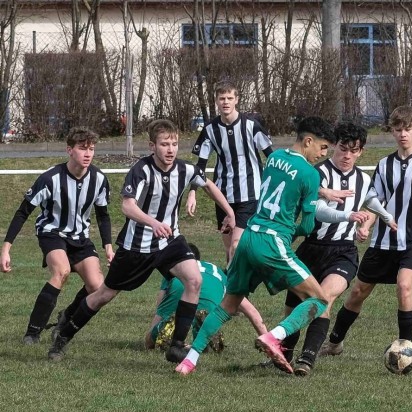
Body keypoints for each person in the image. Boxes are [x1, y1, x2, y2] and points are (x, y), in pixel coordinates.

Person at [47, 119, 236, 362]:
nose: (170, 149)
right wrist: (153, 222)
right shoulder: (141, 170)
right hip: (137, 246)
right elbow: (127, 206)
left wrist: (229, 212)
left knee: (194, 279)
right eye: (164, 144)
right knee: (104, 294)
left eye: (174, 144)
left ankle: (176, 345)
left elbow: (207, 184)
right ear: (152, 146)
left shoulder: (184, 169)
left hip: (170, 241)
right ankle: (63, 335)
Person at [176, 116, 343, 376]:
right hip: (272, 241)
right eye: (323, 148)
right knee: (319, 299)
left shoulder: (274, 158)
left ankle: (189, 361)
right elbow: (309, 226)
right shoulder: (311, 174)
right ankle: (273, 336)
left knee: (230, 303)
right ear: (308, 141)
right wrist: (293, 230)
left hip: (248, 235)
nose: (323, 154)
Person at [321, 105, 412, 357]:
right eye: (398, 129)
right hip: (384, 241)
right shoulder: (384, 164)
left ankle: (405, 348)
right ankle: (335, 343)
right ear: (392, 132)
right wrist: (365, 226)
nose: (403, 134)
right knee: (358, 291)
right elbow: (375, 201)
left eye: (407, 129)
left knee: (404, 286)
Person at [277, 121, 397, 376]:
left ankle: (306, 359)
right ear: (334, 147)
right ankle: (283, 353)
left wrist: (383, 217)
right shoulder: (316, 173)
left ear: (361, 151)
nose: (347, 155)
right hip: (311, 248)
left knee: (324, 298)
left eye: (354, 151)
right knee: (294, 306)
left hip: (343, 252)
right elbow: (317, 208)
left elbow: (371, 199)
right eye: (343, 148)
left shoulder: (364, 179)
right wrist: (348, 216)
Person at [0, 127, 114, 344]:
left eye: (91, 149)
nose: (88, 153)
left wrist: (108, 247)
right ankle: (32, 332)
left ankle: (66, 318)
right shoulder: (50, 178)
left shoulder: (99, 179)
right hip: (52, 233)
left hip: (80, 238)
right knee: (61, 272)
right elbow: (23, 212)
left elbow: (103, 215)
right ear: (69, 150)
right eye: (82, 148)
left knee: (98, 288)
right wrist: (6, 248)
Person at [188, 80, 273, 263]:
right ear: (217, 102)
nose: (225, 102)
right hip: (223, 196)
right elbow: (200, 166)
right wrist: (192, 193)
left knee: (237, 246)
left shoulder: (251, 126)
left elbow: (271, 158)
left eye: (229, 98)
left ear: (236, 100)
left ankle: (239, 291)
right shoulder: (210, 130)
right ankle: (231, 289)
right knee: (229, 250)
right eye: (222, 98)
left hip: (250, 195)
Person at [144, 243, 267, 352]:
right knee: (205, 329)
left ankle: (165, 328)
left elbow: (160, 308)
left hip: (180, 287)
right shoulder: (217, 271)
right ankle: (204, 336)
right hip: (213, 288)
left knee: (152, 339)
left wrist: (151, 335)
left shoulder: (175, 270)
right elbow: (251, 311)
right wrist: (267, 341)